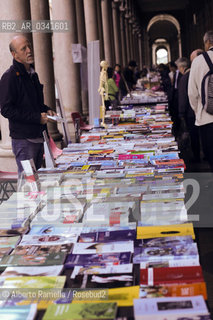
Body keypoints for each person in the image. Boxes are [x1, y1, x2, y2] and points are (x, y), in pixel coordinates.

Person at [0, 35, 56, 175]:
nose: (29, 50)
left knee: (37, 181)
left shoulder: (32, 74)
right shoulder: (10, 77)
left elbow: (35, 104)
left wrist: (47, 110)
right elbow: (6, 110)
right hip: (24, 140)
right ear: (14, 54)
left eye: (29, 46)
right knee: (28, 184)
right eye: (23, 48)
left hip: (39, 136)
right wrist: (37, 118)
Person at [188, 30, 213, 172]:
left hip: (207, 118)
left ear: (207, 43)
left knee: (210, 154)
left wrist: (198, 110)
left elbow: (192, 92)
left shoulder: (198, 61)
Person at [178, 51, 203, 162]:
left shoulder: (185, 77)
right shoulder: (195, 74)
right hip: (198, 109)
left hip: (190, 111)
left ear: (182, 67)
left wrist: (181, 112)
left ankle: (196, 157)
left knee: (193, 136)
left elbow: (184, 96)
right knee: (200, 135)